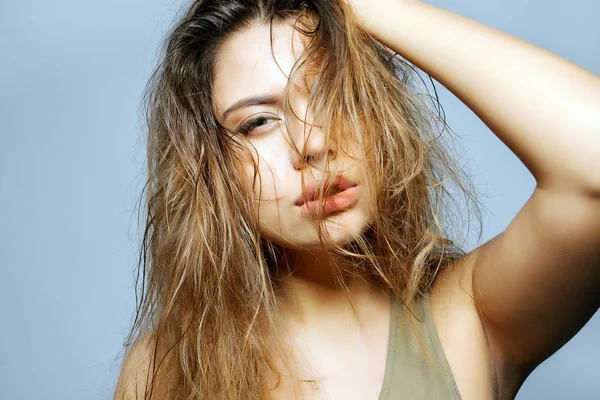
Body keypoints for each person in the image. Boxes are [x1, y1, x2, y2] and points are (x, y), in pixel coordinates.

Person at [114, 0, 600, 399]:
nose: (312, 143)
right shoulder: (166, 369)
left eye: (333, 93)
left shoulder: (471, 312)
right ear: (213, 168)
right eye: (258, 121)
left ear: (379, 111)